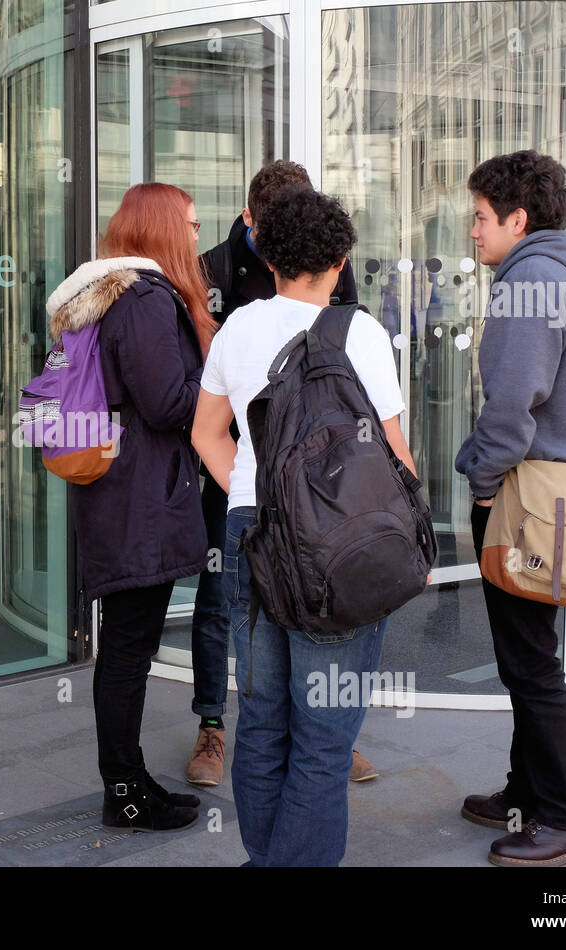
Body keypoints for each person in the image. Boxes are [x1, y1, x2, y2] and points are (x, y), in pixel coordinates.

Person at [191, 187, 418, 865]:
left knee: (262, 722)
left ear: (263, 250)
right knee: (323, 738)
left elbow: (205, 434)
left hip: (249, 534)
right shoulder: (361, 333)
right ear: (341, 259)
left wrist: (265, 494)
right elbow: (395, 454)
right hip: (335, 547)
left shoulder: (236, 328)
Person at [185, 160, 375, 788]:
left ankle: (322, 736)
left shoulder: (334, 288)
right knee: (224, 601)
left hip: (320, 486)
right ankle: (213, 726)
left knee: (318, 603)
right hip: (245, 484)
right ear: (251, 224)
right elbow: (202, 400)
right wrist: (250, 471)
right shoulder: (210, 273)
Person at [46, 182, 214, 831]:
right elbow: (169, 402)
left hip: (120, 493)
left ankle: (130, 779)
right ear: (164, 230)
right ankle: (124, 790)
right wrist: (219, 374)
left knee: (125, 644)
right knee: (127, 649)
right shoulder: (143, 300)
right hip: (140, 498)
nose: (198, 237)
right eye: (191, 225)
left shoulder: (106, 296)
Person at [455, 151, 566, 866]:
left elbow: (511, 412)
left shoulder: (528, 283)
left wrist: (480, 481)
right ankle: (528, 793)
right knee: (527, 655)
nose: (472, 233)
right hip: (551, 496)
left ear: (518, 219)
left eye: (481, 218)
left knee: (531, 663)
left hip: (523, 500)